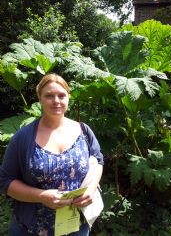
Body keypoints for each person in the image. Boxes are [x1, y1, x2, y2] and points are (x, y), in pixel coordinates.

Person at [0, 73, 104, 236]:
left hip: (76, 226)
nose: (56, 101)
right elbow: (6, 181)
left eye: (61, 95)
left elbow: (98, 161)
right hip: (31, 229)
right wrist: (41, 196)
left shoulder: (84, 131)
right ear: (40, 99)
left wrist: (91, 189)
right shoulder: (23, 138)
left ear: (68, 97)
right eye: (49, 96)